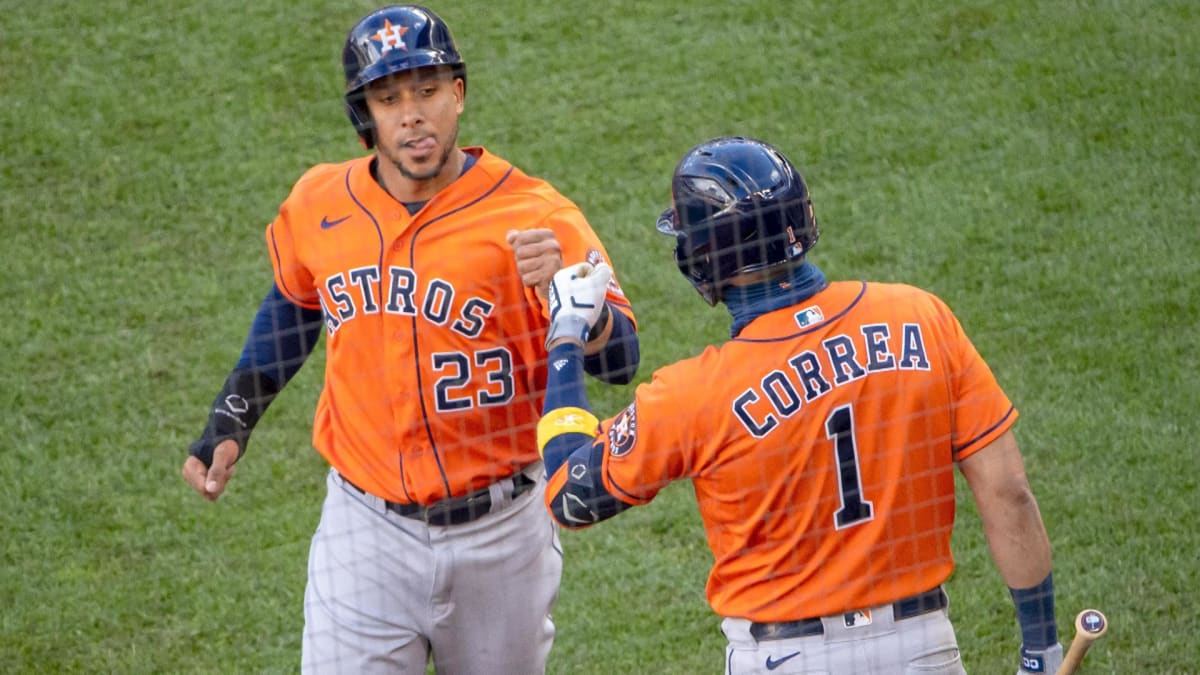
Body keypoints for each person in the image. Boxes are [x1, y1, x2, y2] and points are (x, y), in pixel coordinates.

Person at [180, 5, 639, 673]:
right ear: (365, 114)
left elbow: (622, 358)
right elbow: (296, 300)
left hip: (501, 534)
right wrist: (233, 413)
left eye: (426, 90)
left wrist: (578, 305)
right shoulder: (319, 202)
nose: (411, 114)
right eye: (388, 97)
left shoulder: (535, 215)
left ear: (458, 93)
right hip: (364, 530)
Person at [536, 136, 1060, 674]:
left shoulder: (694, 394)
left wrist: (568, 333)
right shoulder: (921, 319)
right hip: (923, 649)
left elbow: (572, 493)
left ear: (704, 255)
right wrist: (1042, 650)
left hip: (785, 659)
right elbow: (1008, 492)